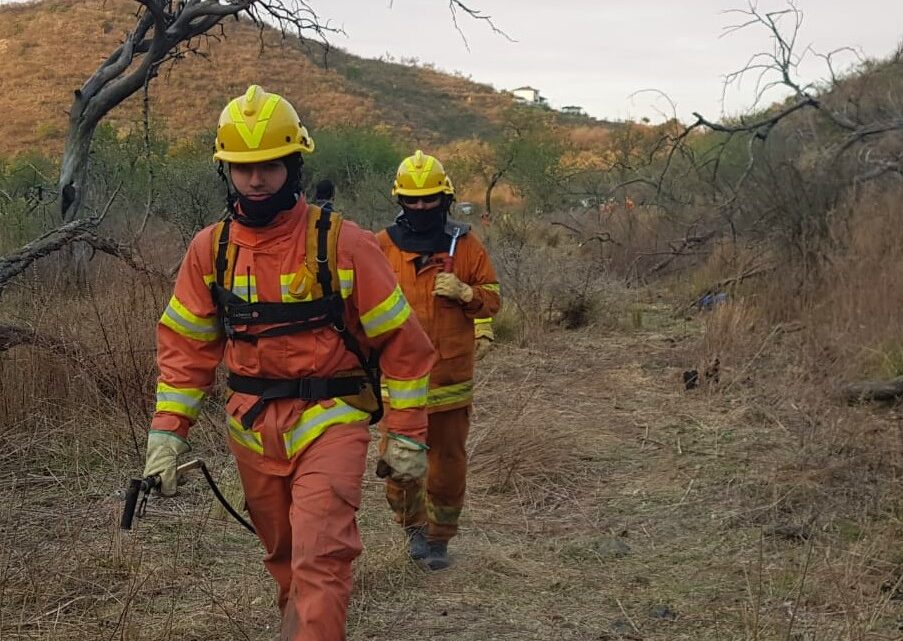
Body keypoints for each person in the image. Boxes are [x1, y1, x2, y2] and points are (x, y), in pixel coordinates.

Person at [142, 85, 436, 641]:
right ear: (225, 171)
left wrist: (407, 434)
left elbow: (404, 344)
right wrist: (167, 434)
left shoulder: (344, 244)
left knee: (320, 557)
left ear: (294, 163)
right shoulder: (210, 249)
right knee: (284, 558)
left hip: (331, 418)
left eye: (271, 166)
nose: (257, 180)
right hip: (252, 429)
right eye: (244, 168)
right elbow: (185, 350)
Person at [375, 150, 500, 570]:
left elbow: (493, 299)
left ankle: (439, 537)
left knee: (446, 467)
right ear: (400, 200)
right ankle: (411, 529)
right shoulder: (382, 247)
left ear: (444, 197)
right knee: (399, 463)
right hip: (399, 384)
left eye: (430, 198)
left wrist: (468, 294)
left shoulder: (465, 246)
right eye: (413, 199)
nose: (422, 206)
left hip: (451, 380)